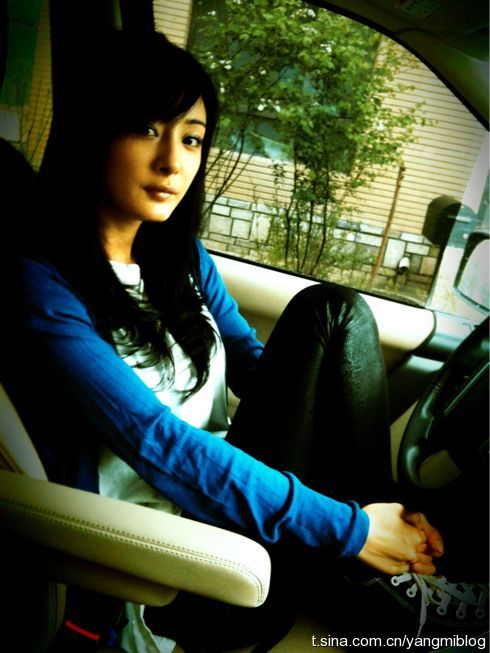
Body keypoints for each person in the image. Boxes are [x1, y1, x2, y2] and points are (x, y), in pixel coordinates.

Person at [2, 31, 486, 652]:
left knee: (332, 315)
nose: (172, 162)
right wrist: (351, 528)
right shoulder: (39, 287)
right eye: (147, 129)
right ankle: (382, 573)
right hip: (182, 566)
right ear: (93, 133)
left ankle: (393, 558)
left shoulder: (178, 257)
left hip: (236, 506)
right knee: (327, 310)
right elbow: (157, 442)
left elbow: (259, 369)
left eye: (192, 138)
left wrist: (364, 502)